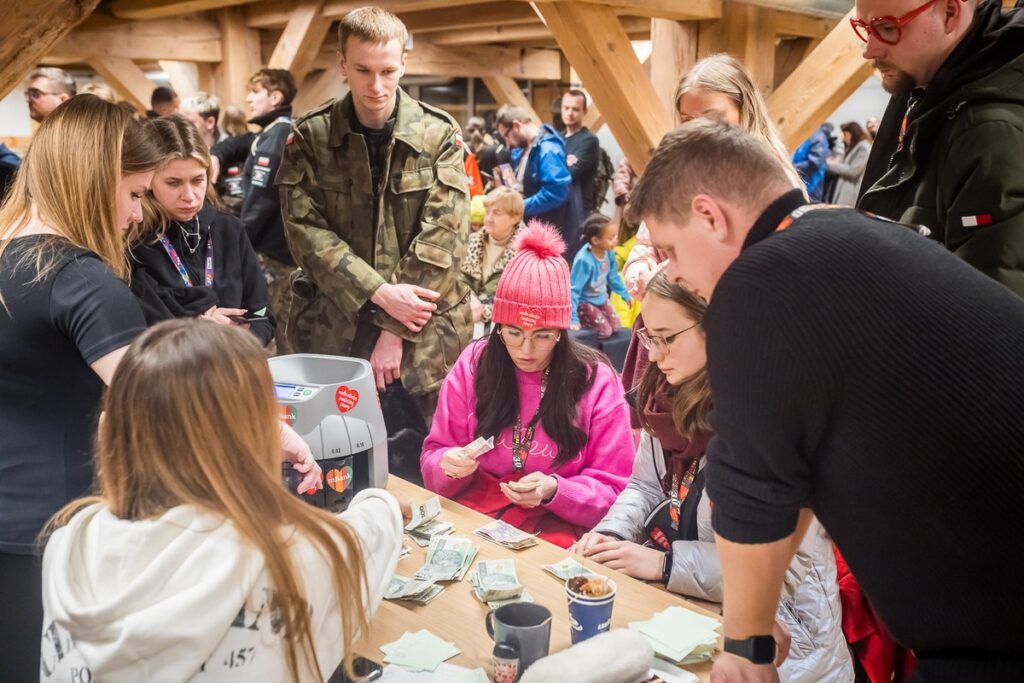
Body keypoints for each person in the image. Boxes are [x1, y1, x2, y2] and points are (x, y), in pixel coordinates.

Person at [629, 118, 1024, 682]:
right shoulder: (842, 234)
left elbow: (752, 482)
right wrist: (758, 618)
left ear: (710, 217)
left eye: (669, 249)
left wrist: (744, 646)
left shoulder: (759, 281)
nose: (674, 273)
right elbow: (796, 466)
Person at [39, 320, 403, 683]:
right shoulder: (292, 559)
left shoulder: (69, 546)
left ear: (115, 429)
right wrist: (381, 500)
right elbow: (368, 534)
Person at [571, 271, 853, 683]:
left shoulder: (764, 412)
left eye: (668, 338)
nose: (653, 354)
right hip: (692, 618)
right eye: (648, 337)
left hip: (785, 648)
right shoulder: (662, 395)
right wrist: (611, 537)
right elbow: (646, 485)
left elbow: (783, 566)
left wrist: (666, 565)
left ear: (714, 328)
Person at [0, 94, 160, 681]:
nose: (138, 215)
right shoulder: (80, 279)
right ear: (95, 180)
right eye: (136, 193)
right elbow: (166, 411)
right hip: (44, 536)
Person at [279, 6, 471, 430]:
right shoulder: (311, 137)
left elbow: (445, 236)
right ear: (342, 62)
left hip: (425, 339)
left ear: (404, 61)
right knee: (331, 455)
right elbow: (305, 234)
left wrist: (393, 329)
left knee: (437, 462)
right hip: (335, 333)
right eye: (363, 70)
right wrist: (381, 292)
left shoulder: (438, 134)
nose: (377, 85)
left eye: (388, 69)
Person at [421, 222, 633, 548]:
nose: (525, 351)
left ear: (562, 332)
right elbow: (434, 454)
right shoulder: (475, 364)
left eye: (543, 336)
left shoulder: (596, 381)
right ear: (497, 326)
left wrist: (557, 490)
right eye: (513, 332)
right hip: (474, 519)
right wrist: (448, 465)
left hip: (559, 530)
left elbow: (616, 489)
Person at [855, 0, 1024, 296]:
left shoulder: (988, 132)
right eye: (864, 28)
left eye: (886, 28)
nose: (869, 49)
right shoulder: (925, 103)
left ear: (949, 13)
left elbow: (992, 320)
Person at [623, 54, 802, 300]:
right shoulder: (676, 171)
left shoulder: (770, 179)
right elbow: (646, 244)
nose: (699, 130)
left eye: (712, 118)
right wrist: (640, 270)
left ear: (744, 110)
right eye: (687, 120)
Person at [129, 114, 276, 346]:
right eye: (173, 183)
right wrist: (198, 328)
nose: (189, 196)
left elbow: (262, 315)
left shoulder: (229, 228)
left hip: (233, 366)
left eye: (197, 180)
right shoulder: (133, 240)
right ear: (148, 181)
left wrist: (235, 337)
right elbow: (136, 330)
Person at [211, 69, 298, 353]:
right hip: (272, 249)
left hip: (273, 254)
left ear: (275, 97)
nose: (247, 98)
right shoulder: (271, 131)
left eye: (254, 92)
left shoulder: (279, 134)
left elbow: (260, 200)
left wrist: (237, 241)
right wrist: (216, 155)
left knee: (271, 327)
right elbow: (239, 143)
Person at [495, 104, 582, 258]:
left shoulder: (547, 149)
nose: (508, 142)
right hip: (537, 232)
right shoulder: (526, 149)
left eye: (507, 135)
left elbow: (555, 192)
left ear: (516, 125)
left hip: (550, 236)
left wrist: (520, 207)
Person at [462, 187, 526, 331]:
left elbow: (520, 301)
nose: (488, 219)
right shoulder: (471, 241)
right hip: (468, 316)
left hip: (505, 325)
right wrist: (469, 297)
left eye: (496, 213)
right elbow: (458, 280)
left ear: (515, 218)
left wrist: (484, 312)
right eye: (488, 212)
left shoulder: (527, 253)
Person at [570, 213, 631, 338]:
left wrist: (625, 295)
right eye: (611, 238)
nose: (616, 240)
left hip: (601, 299)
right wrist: (573, 318)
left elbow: (613, 278)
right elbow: (574, 290)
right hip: (584, 303)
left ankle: (594, 316)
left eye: (615, 236)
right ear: (595, 240)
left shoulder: (609, 253)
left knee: (616, 327)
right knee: (605, 331)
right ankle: (584, 318)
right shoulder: (584, 260)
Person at [561, 89, 601, 215]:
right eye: (566, 108)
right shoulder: (558, 139)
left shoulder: (589, 140)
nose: (570, 113)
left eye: (575, 109)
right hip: (559, 207)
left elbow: (568, 174)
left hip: (577, 212)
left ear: (584, 111)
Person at [827, 122, 871, 207]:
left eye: (845, 135)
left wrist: (831, 164)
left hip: (849, 191)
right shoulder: (856, 146)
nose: (844, 138)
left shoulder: (864, 147)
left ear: (852, 133)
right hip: (844, 188)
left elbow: (852, 171)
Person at [792, 123, 830, 202]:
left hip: (811, 187)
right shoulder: (810, 135)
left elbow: (814, 163)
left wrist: (793, 167)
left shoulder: (818, 137)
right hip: (802, 183)